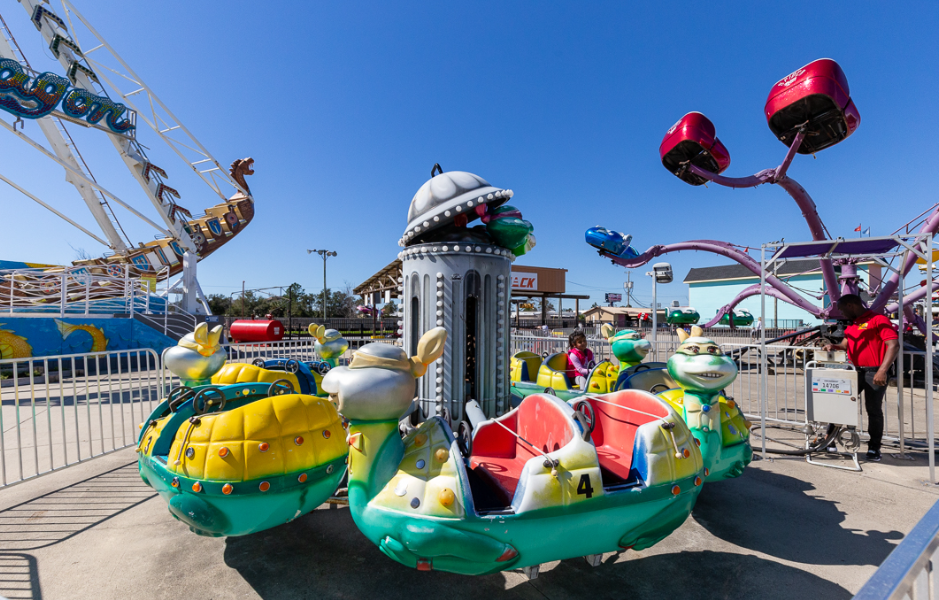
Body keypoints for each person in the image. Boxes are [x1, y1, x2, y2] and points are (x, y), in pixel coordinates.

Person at [822, 294, 899, 462]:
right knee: (840, 403)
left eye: (842, 310)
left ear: (851, 306)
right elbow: (846, 344)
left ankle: (874, 447)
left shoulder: (878, 320)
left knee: (873, 409)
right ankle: (830, 439)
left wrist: (882, 370)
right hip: (856, 370)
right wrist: (834, 346)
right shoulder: (854, 323)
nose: (841, 314)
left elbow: (893, 345)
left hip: (875, 372)